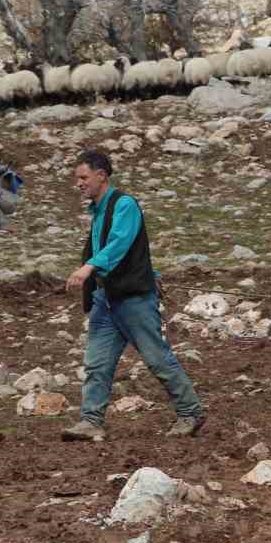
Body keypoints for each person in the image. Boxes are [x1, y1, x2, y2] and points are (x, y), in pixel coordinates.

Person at [62, 148, 206, 442]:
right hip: (107, 299)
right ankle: (91, 421)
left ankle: (190, 412)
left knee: (157, 359)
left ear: (101, 176)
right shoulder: (98, 210)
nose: (78, 183)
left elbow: (118, 244)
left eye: (83, 177)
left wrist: (87, 269)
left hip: (134, 300)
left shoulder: (124, 205)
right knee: (96, 364)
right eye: (77, 178)